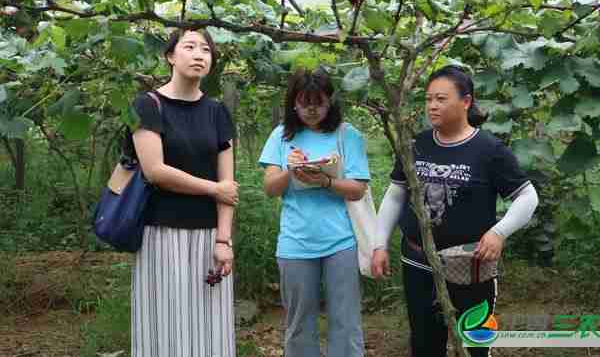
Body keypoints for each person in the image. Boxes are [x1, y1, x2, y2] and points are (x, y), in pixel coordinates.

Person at [372, 65, 539, 357]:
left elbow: (527, 197)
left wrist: (498, 233)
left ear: (465, 101)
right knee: (424, 342)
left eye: (441, 99)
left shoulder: (489, 149)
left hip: (469, 264)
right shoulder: (417, 145)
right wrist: (378, 244)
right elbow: (395, 194)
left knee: (475, 343)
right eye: (428, 99)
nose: (432, 106)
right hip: (417, 260)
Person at [125, 28, 239, 357]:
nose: (199, 54)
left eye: (206, 49)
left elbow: (228, 184)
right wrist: (214, 188)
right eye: (189, 46)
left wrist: (223, 239)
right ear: (171, 56)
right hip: (159, 234)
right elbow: (155, 170)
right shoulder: (143, 106)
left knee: (210, 328)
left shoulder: (218, 111)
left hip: (208, 236)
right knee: (162, 326)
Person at [258, 67, 370, 357]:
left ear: (330, 101)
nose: (310, 110)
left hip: (341, 241)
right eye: (303, 103)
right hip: (295, 242)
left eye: (318, 103)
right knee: (298, 324)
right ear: (293, 103)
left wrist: (327, 181)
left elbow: (358, 188)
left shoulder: (348, 135)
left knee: (346, 321)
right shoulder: (281, 136)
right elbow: (270, 187)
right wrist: (290, 171)